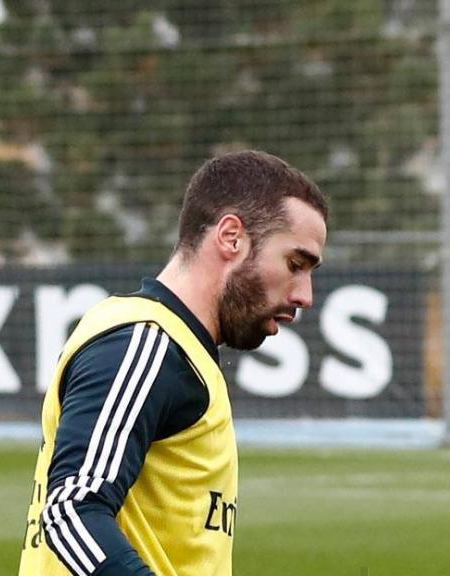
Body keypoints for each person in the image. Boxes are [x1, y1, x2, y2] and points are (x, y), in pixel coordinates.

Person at [19, 150, 328, 576]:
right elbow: (71, 510)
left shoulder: (176, 349)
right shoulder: (145, 344)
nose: (305, 295)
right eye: (295, 264)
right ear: (231, 237)